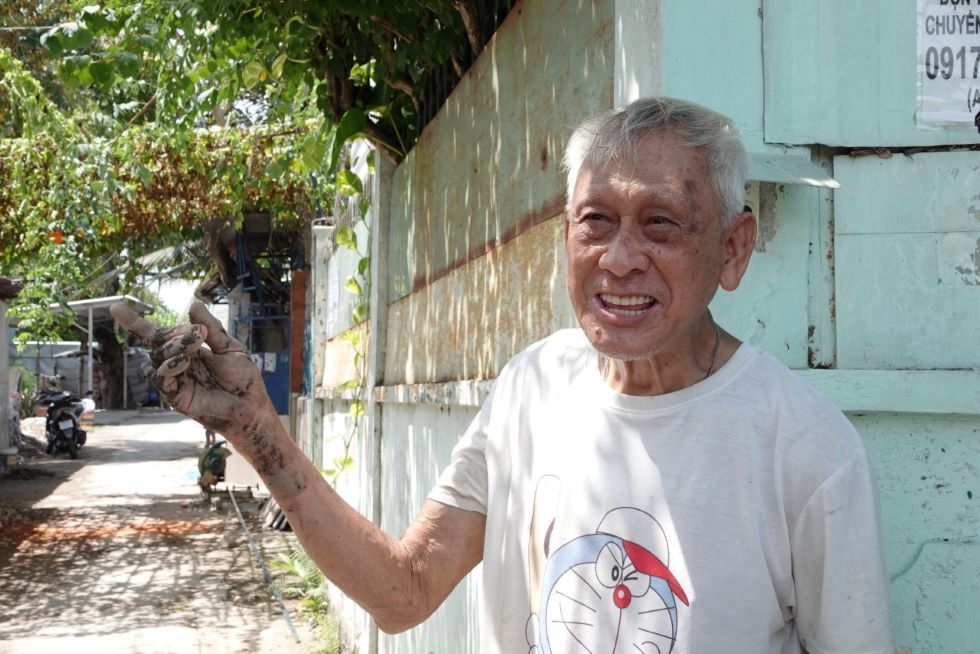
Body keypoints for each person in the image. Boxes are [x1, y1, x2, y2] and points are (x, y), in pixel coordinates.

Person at [111, 97, 892, 653]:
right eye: (596, 221)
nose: (619, 258)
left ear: (733, 249)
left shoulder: (805, 450)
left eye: (660, 223)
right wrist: (255, 429)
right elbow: (404, 592)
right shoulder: (532, 388)